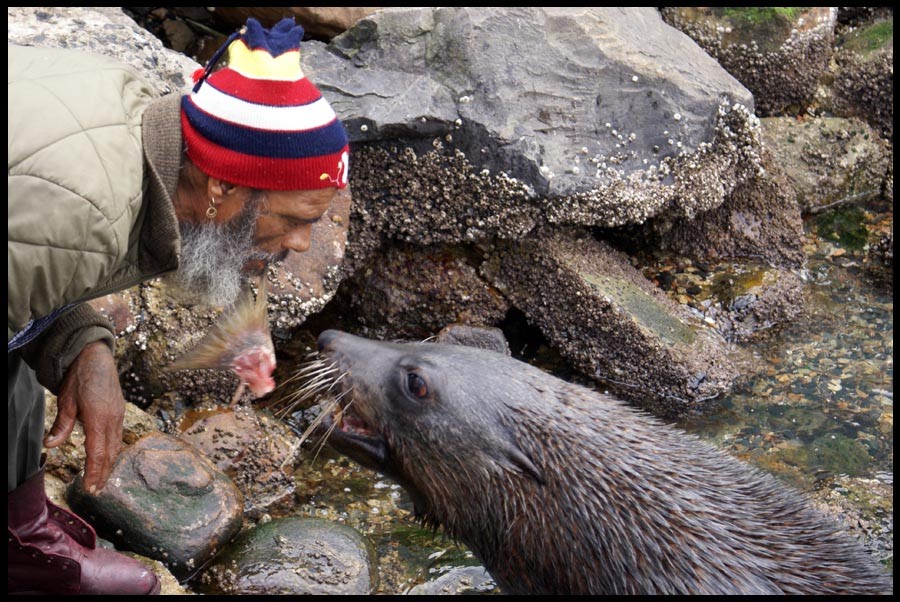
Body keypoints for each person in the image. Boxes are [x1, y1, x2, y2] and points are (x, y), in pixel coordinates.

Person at [8, 17, 349, 595]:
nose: (298, 245)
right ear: (222, 189)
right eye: (294, 219)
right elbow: (46, 230)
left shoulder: (139, 121)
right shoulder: (89, 212)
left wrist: (81, 343)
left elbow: (28, 254)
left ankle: (20, 534)